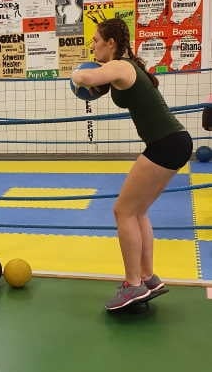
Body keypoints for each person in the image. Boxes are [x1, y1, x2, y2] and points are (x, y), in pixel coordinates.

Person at [71, 18, 192, 311]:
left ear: (111, 42)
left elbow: (85, 78)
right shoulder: (125, 68)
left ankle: (133, 284)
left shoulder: (121, 66)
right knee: (137, 212)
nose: (93, 46)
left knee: (123, 210)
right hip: (173, 142)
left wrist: (75, 74)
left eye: (96, 41)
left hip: (166, 143)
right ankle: (148, 278)